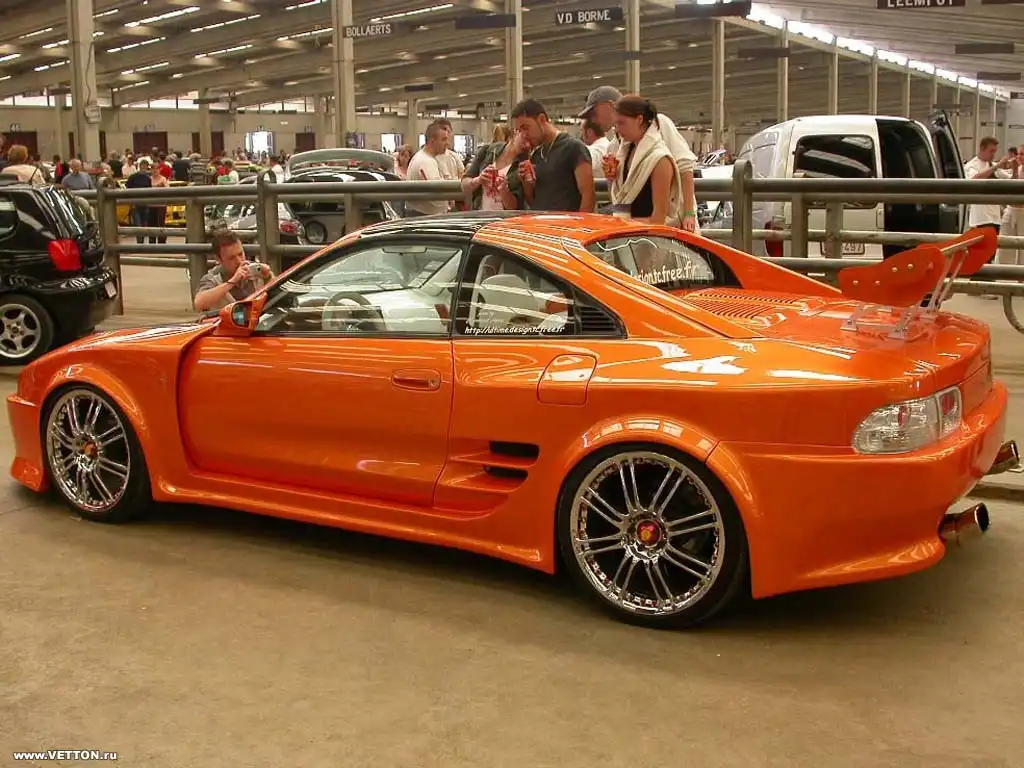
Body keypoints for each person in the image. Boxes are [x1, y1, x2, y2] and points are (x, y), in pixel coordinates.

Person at [579, 85, 698, 231]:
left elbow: (685, 168)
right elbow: (621, 197)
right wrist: (612, 177)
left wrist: (689, 213)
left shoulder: (659, 125)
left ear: (610, 106)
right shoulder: (617, 146)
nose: (593, 120)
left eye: (594, 113)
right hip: (636, 228)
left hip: (669, 224)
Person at [603, 95, 681, 227]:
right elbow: (620, 202)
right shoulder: (625, 151)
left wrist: (622, 225)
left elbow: (658, 220)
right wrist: (612, 178)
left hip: (646, 236)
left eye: (621, 123)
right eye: (616, 124)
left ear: (639, 120)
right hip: (626, 232)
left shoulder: (660, 160)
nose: (618, 129)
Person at [510, 98, 594, 213]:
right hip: (540, 221)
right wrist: (526, 182)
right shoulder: (536, 155)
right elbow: (533, 202)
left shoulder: (573, 148)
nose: (523, 135)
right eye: (519, 130)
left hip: (567, 222)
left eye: (525, 127)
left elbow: (588, 195)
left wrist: (581, 223)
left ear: (541, 119)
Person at [194, 229, 274, 312]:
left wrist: (268, 277)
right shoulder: (213, 278)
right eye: (231, 258)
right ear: (219, 259)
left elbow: (278, 296)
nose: (239, 261)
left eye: (240, 254)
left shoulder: (256, 269)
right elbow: (199, 304)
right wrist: (233, 281)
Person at [461, 129, 528, 211]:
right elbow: (464, 186)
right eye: (525, 139)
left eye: (531, 143)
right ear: (516, 131)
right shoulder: (486, 151)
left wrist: (504, 191)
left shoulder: (523, 165)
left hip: (504, 218)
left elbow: (514, 206)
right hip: (480, 214)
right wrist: (478, 180)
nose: (527, 145)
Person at [964, 136, 1014, 234]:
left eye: (995, 151)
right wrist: (997, 166)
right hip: (980, 219)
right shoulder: (971, 165)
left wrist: (1015, 168)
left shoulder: (992, 165)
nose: (993, 155)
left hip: (995, 218)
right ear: (982, 148)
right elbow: (974, 180)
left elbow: (1011, 180)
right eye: (991, 151)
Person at [405, 121, 452, 217]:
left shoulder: (426, 157)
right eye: (443, 140)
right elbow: (437, 191)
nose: (447, 143)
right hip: (425, 217)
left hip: (426, 215)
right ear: (432, 141)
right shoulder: (426, 161)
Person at [125, 159, 152, 245]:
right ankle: (140, 244)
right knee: (138, 225)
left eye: (145, 167)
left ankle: (141, 244)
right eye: (142, 166)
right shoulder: (133, 177)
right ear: (140, 166)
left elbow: (149, 192)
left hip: (145, 205)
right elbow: (127, 190)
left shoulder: (148, 178)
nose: (144, 168)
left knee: (143, 226)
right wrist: (130, 203)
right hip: (135, 205)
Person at [148, 163, 170, 245]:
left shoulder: (163, 179)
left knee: (160, 224)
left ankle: (161, 243)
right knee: (151, 225)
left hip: (161, 205)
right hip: (151, 205)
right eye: (153, 169)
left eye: (156, 169)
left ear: (159, 170)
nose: (155, 170)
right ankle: (152, 243)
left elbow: (168, 190)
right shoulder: (149, 179)